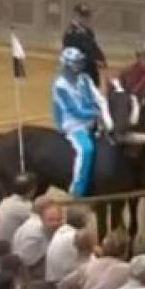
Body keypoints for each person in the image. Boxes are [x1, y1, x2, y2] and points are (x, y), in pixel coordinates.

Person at [51, 46, 112, 198]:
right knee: (86, 150)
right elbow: (74, 110)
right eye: (76, 63)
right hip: (72, 123)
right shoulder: (60, 85)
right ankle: (77, 189)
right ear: (67, 65)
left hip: (92, 119)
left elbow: (97, 96)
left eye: (80, 62)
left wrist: (105, 109)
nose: (79, 66)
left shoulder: (85, 79)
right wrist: (96, 113)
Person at [62, 4, 107, 87]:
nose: (86, 19)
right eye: (82, 16)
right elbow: (71, 55)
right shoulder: (71, 33)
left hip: (90, 72)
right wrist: (93, 61)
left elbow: (94, 46)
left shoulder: (88, 31)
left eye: (87, 17)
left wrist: (101, 58)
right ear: (76, 16)